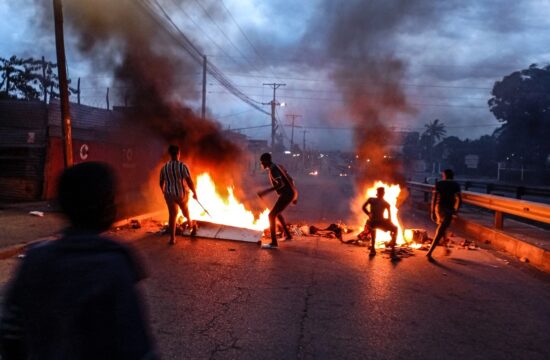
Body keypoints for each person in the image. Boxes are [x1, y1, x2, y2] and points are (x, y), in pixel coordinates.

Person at [0, 162, 157, 360]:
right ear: (106, 209)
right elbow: (137, 348)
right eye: (112, 199)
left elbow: (10, 333)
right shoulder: (115, 265)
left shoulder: (35, 259)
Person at [257, 153, 298, 249]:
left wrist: (265, 191)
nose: (262, 164)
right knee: (277, 213)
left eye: (262, 162)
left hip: (287, 195)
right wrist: (295, 195)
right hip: (289, 194)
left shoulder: (273, 170)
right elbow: (291, 179)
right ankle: (288, 235)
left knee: (271, 215)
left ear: (266, 161)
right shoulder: (278, 166)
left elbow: (281, 184)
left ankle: (274, 243)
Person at [160, 144, 198, 245]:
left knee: (172, 215)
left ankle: (172, 239)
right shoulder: (182, 166)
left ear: (170, 154)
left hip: (169, 194)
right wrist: (195, 193)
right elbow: (189, 181)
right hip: (181, 194)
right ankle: (191, 226)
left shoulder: (165, 167)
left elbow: (161, 182)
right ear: (178, 153)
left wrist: (164, 191)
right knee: (186, 212)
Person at [426, 168, 462, 261]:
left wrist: (432, 211)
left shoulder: (439, 183)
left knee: (442, 228)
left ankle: (445, 249)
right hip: (448, 210)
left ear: (444, 175)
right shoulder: (456, 185)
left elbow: (434, 198)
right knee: (441, 229)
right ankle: (429, 253)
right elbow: (459, 199)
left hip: (439, 208)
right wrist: (456, 210)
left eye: (443, 175)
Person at [362, 186, 398, 257]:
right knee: (395, 229)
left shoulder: (372, 200)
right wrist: (391, 228)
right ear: (383, 193)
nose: (382, 194)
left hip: (373, 222)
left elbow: (363, 207)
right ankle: (392, 251)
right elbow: (389, 218)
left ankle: (373, 249)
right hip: (378, 222)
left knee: (374, 228)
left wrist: (369, 214)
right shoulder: (385, 203)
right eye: (382, 192)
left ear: (377, 193)